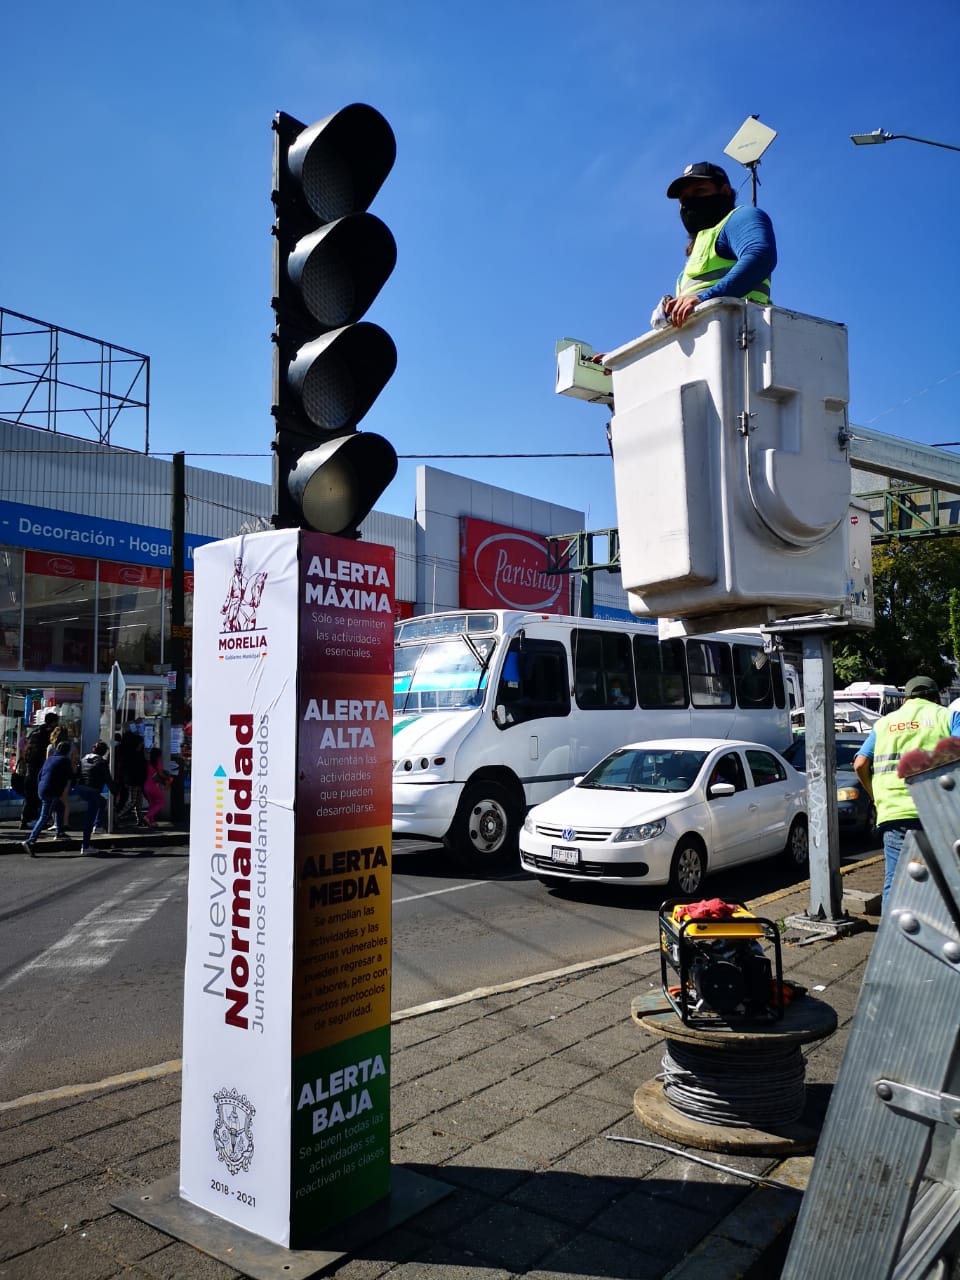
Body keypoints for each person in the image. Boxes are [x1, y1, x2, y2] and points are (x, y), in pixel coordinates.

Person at [853, 675, 960, 909]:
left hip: (893, 813)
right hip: (936, 811)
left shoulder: (883, 724)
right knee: (944, 880)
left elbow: (860, 764)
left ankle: (892, 941)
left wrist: (875, 796)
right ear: (935, 697)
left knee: (897, 879)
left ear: (905, 699)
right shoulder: (948, 716)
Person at [660, 161, 777, 331]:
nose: (689, 202)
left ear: (725, 192)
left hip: (745, 342)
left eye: (700, 191)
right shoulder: (684, 275)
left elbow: (760, 256)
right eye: (684, 199)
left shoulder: (740, 217)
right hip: (706, 350)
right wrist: (623, 357)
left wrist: (706, 297)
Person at [22, 740, 75, 856]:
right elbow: (71, 775)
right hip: (51, 791)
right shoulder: (64, 760)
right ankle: (31, 841)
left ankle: (59, 831)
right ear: (67, 751)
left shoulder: (50, 759)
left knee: (60, 808)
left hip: (43, 789)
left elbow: (40, 774)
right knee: (44, 816)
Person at [76, 741, 120, 856]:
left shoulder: (84, 759)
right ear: (104, 752)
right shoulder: (101, 762)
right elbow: (108, 779)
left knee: (102, 802)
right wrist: (116, 793)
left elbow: (77, 773)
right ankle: (86, 846)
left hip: (81, 788)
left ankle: (98, 825)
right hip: (93, 790)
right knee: (89, 819)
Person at [17, 711, 59, 828]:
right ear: (53, 722)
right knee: (40, 797)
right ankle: (38, 820)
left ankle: (25, 819)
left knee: (30, 796)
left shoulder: (34, 733)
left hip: (30, 769)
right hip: (41, 769)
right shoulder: (49, 735)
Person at [116, 730, 148, 825]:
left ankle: (140, 819)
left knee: (138, 801)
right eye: (142, 742)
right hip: (134, 780)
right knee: (133, 801)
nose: (142, 744)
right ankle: (117, 815)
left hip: (135, 780)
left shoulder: (132, 754)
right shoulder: (136, 754)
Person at [143, 747, 172, 827]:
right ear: (158, 755)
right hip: (153, 786)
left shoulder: (148, 763)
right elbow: (160, 774)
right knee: (162, 802)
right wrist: (168, 778)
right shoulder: (157, 762)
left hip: (146, 786)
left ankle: (151, 821)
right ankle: (147, 816)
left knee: (152, 804)